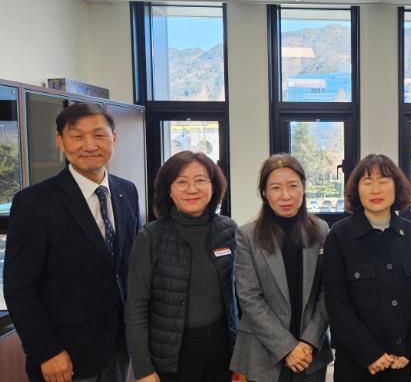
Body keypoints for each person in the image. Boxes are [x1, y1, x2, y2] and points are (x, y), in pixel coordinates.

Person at [4, 103, 141, 382]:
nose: (89, 145)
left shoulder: (126, 191)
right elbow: (19, 288)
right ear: (60, 141)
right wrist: (46, 351)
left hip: (117, 347)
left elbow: (126, 268)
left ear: (114, 138)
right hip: (64, 356)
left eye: (99, 135)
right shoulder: (34, 202)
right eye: (77, 136)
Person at [126, 151, 238, 382]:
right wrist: (143, 369)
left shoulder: (228, 230)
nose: (192, 189)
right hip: (171, 356)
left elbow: (239, 296)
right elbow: (136, 308)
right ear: (169, 190)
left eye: (200, 180)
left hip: (222, 351)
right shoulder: (151, 237)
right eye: (181, 182)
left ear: (213, 186)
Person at [324, 154, 411, 382]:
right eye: (367, 182)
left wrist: (408, 349)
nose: (376, 190)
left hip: (402, 362)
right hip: (356, 363)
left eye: (384, 181)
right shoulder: (339, 236)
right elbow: (336, 304)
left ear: (396, 186)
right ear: (356, 189)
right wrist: (370, 353)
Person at [230, 154, 333, 382]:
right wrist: (287, 348)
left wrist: (308, 342)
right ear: (264, 193)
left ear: (303, 188)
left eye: (293, 186)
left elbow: (328, 292)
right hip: (263, 353)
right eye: (276, 188)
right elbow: (249, 297)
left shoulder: (321, 230)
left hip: (310, 354)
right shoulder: (247, 235)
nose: (285, 195)